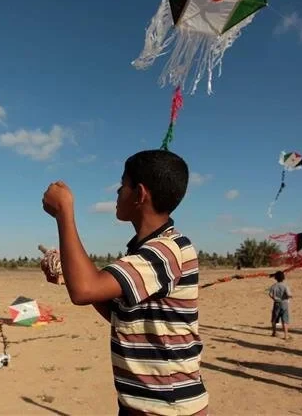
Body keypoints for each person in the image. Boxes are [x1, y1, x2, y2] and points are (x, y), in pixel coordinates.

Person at [42, 149, 209, 416]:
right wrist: (68, 274)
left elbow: (85, 290)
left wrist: (64, 213)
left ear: (140, 194)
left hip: (168, 409)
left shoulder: (168, 250)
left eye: (122, 185)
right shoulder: (143, 253)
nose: (117, 193)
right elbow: (119, 315)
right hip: (139, 404)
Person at [269, 270, 292, 340]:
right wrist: (288, 297)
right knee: (285, 320)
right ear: (283, 278)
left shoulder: (274, 286)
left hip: (277, 303)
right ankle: (286, 335)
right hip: (284, 304)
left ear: (275, 278)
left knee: (274, 319)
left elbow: (270, 294)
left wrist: (274, 298)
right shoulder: (285, 286)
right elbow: (289, 294)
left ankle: (274, 332)